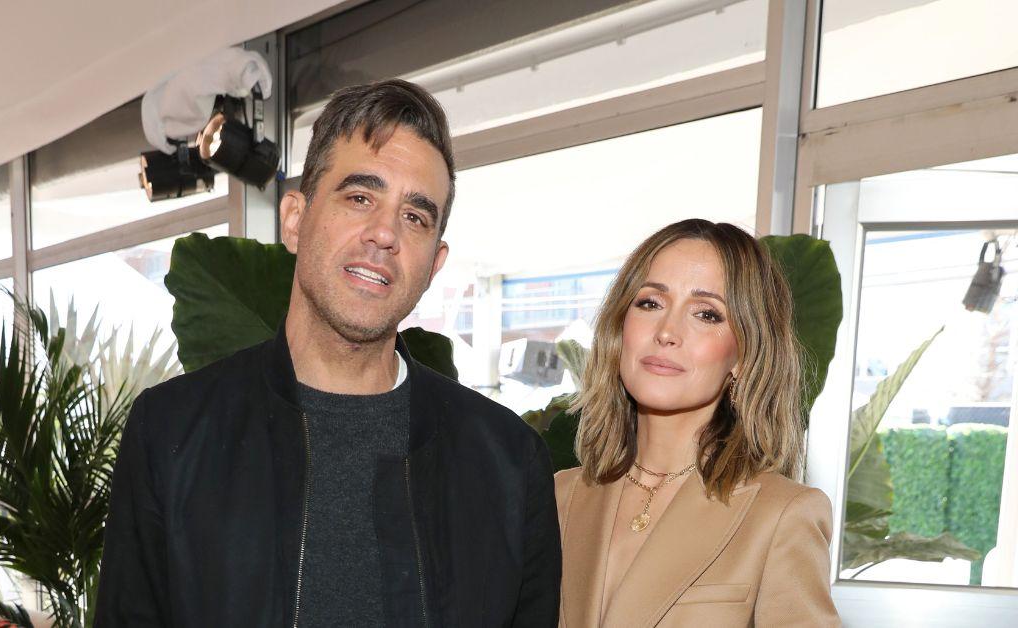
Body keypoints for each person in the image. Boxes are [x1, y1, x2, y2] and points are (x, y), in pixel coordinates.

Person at [95, 79, 561, 627]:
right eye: (360, 197)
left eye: (415, 216)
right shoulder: (171, 433)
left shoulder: (507, 463)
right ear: (294, 220)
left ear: (434, 265)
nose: (384, 233)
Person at [555, 219, 839, 627]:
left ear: (743, 355)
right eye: (650, 303)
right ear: (620, 329)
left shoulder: (783, 516)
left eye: (707, 314)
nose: (667, 332)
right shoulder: (560, 497)